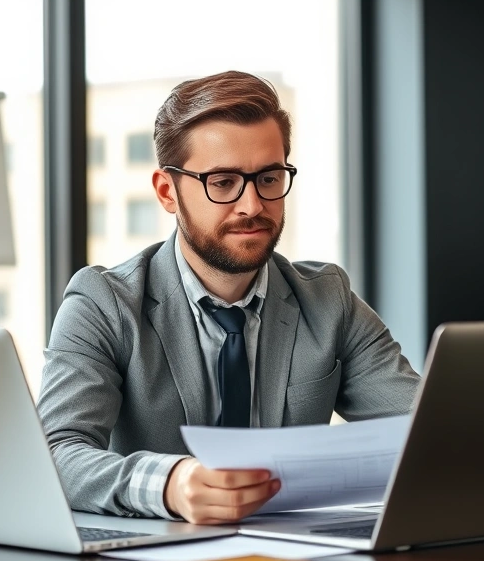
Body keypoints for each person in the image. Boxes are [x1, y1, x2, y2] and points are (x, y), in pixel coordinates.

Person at [37, 70, 419, 525]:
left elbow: (428, 431)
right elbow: (54, 454)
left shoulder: (328, 300)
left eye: (269, 178)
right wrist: (171, 484)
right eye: (222, 182)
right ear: (167, 192)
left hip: (294, 552)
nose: (253, 205)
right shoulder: (103, 303)